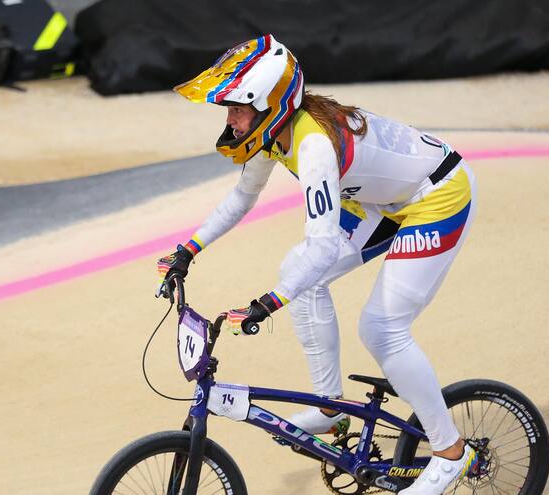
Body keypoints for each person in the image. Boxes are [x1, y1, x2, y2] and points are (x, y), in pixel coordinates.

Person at [158, 34, 477, 494]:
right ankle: (332, 409)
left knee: (382, 329)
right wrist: (188, 250)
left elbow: (323, 247)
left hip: (437, 197)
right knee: (299, 270)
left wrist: (267, 304)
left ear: (269, 106)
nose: (230, 120)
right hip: (383, 202)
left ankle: (451, 452)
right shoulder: (274, 132)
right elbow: (243, 197)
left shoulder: (313, 147)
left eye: (237, 108)